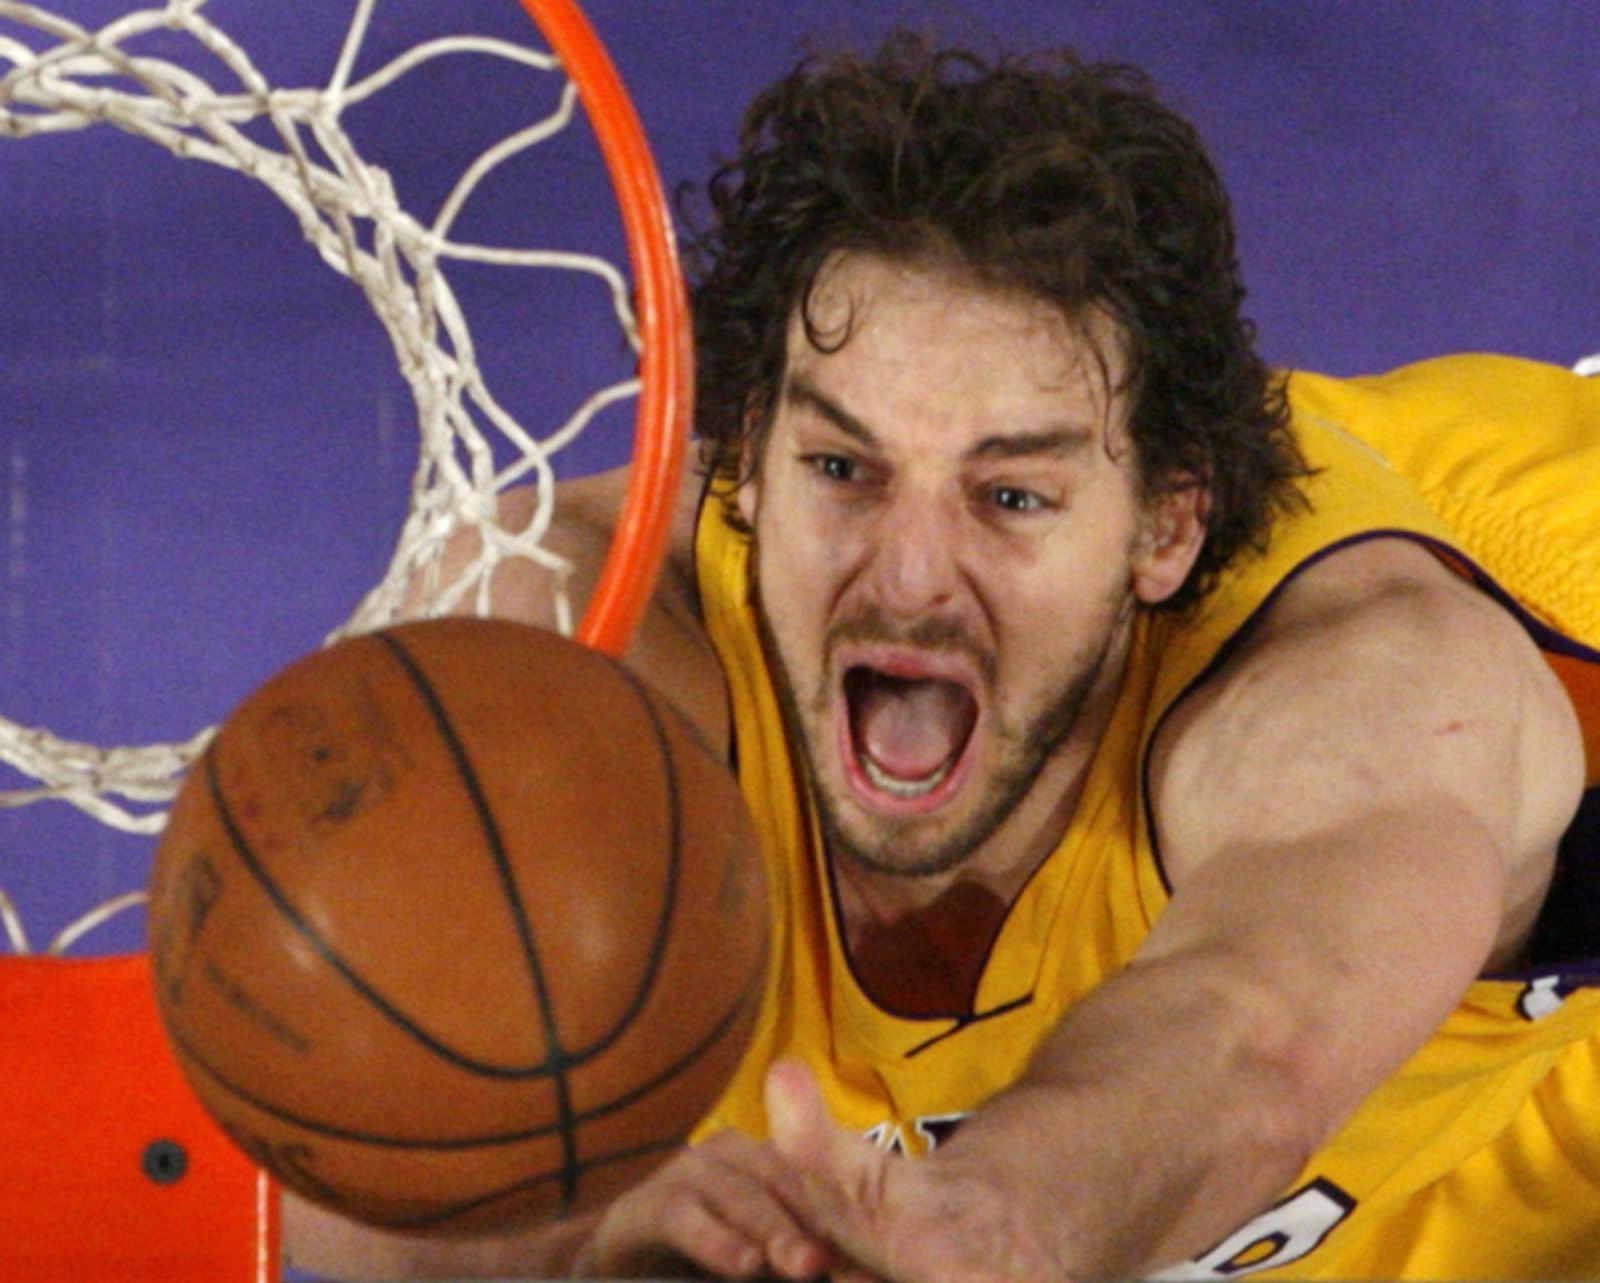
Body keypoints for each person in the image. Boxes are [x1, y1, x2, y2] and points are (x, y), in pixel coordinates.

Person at [286, 30, 1600, 1281]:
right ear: (744, 453)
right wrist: (591, 1236)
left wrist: (978, 1224)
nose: (907, 579)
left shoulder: (1368, 688)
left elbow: (1254, 1037)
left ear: (1166, 529)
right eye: (843, 467)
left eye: (1009, 496)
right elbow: (270, 1138)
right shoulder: (553, 654)